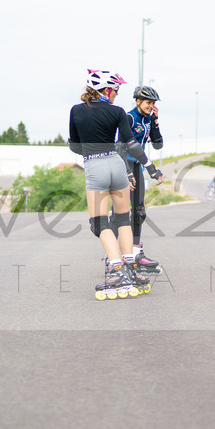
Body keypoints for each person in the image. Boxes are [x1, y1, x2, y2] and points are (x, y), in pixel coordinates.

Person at [68, 70, 163, 299]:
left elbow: (74, 145)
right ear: (106, 90)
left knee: (99, 224)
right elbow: (131, 144)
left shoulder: (76, 111)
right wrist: (150, 167)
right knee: (123, 219)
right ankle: (131, 267)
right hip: (118, 167)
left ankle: (116, 269)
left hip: (95, 166)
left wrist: (89, 150)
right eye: (115, 91)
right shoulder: (118, 112)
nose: (116, 95)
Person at [121, 85, 164, 275]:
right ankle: (115, 255)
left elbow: (157, 145)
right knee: (120, 215)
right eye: (148, 102)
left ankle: (137, 254)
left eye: (153, 103)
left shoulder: (148, 119)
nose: (150, 106)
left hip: (138, 166)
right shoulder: (129, 117)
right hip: (125, 166)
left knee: (139, 212)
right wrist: (127, 172)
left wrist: (155, 121)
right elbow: (119, 147)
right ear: (138, 101)